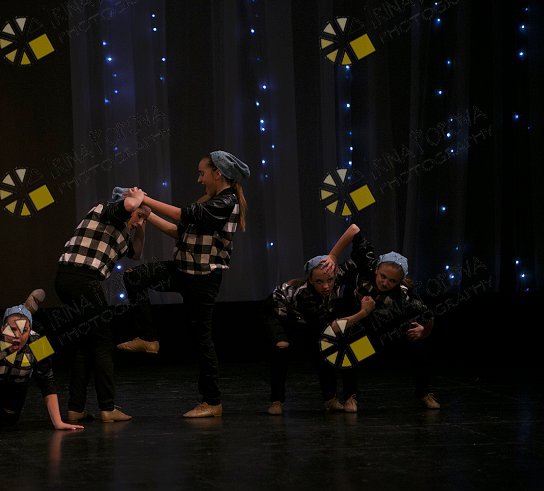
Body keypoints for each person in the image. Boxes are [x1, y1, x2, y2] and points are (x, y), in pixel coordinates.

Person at [117, 150, 249, 418]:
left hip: (203, 279)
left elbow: (181, 214)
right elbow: (176, 231)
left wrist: (144, 198)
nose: (199, 179)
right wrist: (146, 212)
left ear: (218, 173)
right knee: (133, 277)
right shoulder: (212, 201)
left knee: (202, 339)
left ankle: (212, 402)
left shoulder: (226, 201)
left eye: (202, 173)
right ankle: (148, 338)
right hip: (182, 270)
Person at [54, 187, 149, 423]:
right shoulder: (105, 210)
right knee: (103, 343)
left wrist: (142, 225)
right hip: (82, 279)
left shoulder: (121, 233)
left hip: (70, 280)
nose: (138, 222)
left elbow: (136, 253)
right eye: (138, 216)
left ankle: (75, 408)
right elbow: (128, 205)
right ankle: (107, 407)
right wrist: (137, 196)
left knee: (86, 344)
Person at [321, 224, 439, 410]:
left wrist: (424, 332)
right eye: (383, 276)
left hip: (387, 336)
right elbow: (354, 229)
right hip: (363, 333)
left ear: (399, 281)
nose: (385, 283)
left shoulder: (403, 296)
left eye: (392, 281)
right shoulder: (367, 264)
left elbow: (428, 315)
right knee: (347, 350)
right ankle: (351, 396)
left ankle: (424, 393)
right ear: (376, 269)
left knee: (419, 347)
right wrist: (333, 256)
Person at [0, 291, 83, 435]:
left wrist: (58, 423)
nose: (17, 336)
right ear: (3, 328)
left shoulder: (40, 343)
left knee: (8, 420)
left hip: (18, 377)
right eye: (12, 329)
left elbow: (47, 382)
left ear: (30, 330)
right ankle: (23, 309)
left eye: (24, 330)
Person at [265, 251, 374, 415]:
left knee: (327, 347)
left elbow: (362, 253)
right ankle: (276, 401)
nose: (326, 286)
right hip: (278, 313)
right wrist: (363, 313)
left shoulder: (338, 274)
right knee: (283, 347)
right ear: (310, 280)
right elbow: (329, 328)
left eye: (330, 280)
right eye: (319, 282)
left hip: (306, 316)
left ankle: (331, 399)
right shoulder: (305, 296)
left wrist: (333, 255)